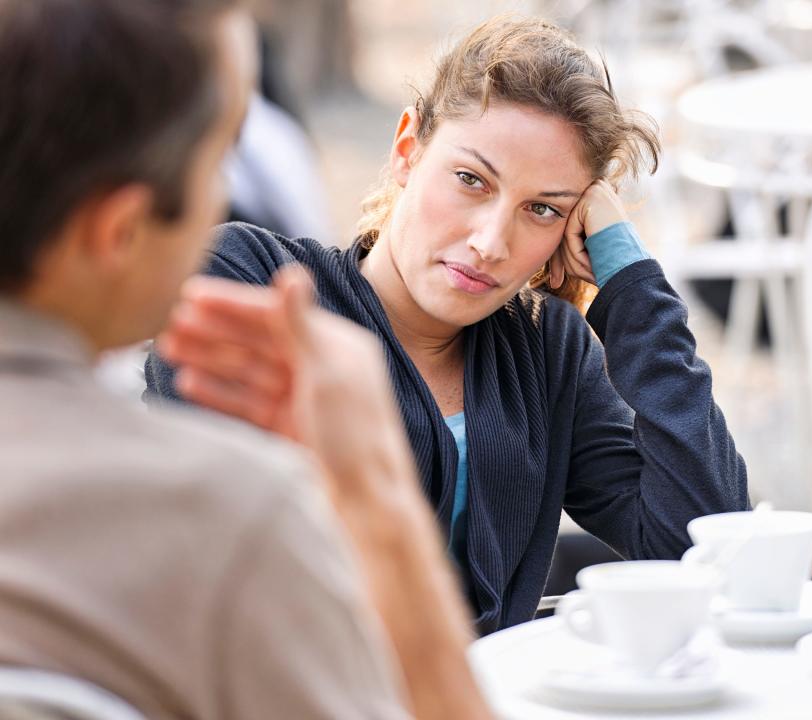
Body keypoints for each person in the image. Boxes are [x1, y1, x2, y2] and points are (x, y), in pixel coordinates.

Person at [147, 15, 752, 635]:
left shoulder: (547, 352)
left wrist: (630, 288)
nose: (490, 241)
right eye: (471, 180)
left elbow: (706, 546)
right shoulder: (251, 279)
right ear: (408, 148)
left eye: (541, 209)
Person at [0, 1, 492, 718]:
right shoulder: (235, 520)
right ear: (121, 229)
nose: (226, 195)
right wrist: (376, 494)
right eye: (220, 153)